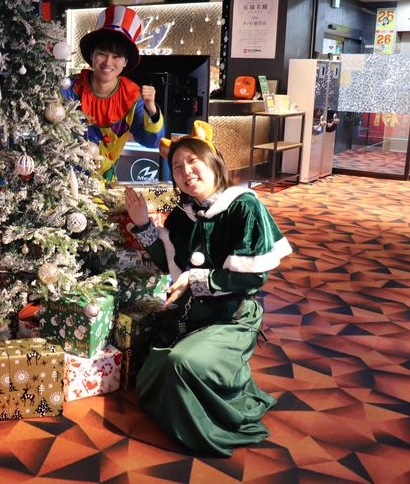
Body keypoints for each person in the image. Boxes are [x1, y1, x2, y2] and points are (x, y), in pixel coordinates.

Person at [124, 121, 292, 457]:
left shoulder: (244, 206)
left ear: (213, 162)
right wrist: (143, 224)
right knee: (150, 370)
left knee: (180, 363)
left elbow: (253, 278)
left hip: (232, 319)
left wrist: (197, 279)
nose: (185, 171)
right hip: (195, 316)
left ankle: (212, 426)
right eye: (177, 166)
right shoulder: (183, 215)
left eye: (192, 161)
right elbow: (170, 265)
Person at [61, 4, 164, 181]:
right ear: (92, 55)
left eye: (116, 56)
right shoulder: (69, 88)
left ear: (125, 62)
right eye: (102, 53)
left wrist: (152, 109)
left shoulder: (132, 96)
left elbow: (152, 142)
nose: (108, 62)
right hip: (60, 182)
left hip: (105, 186)